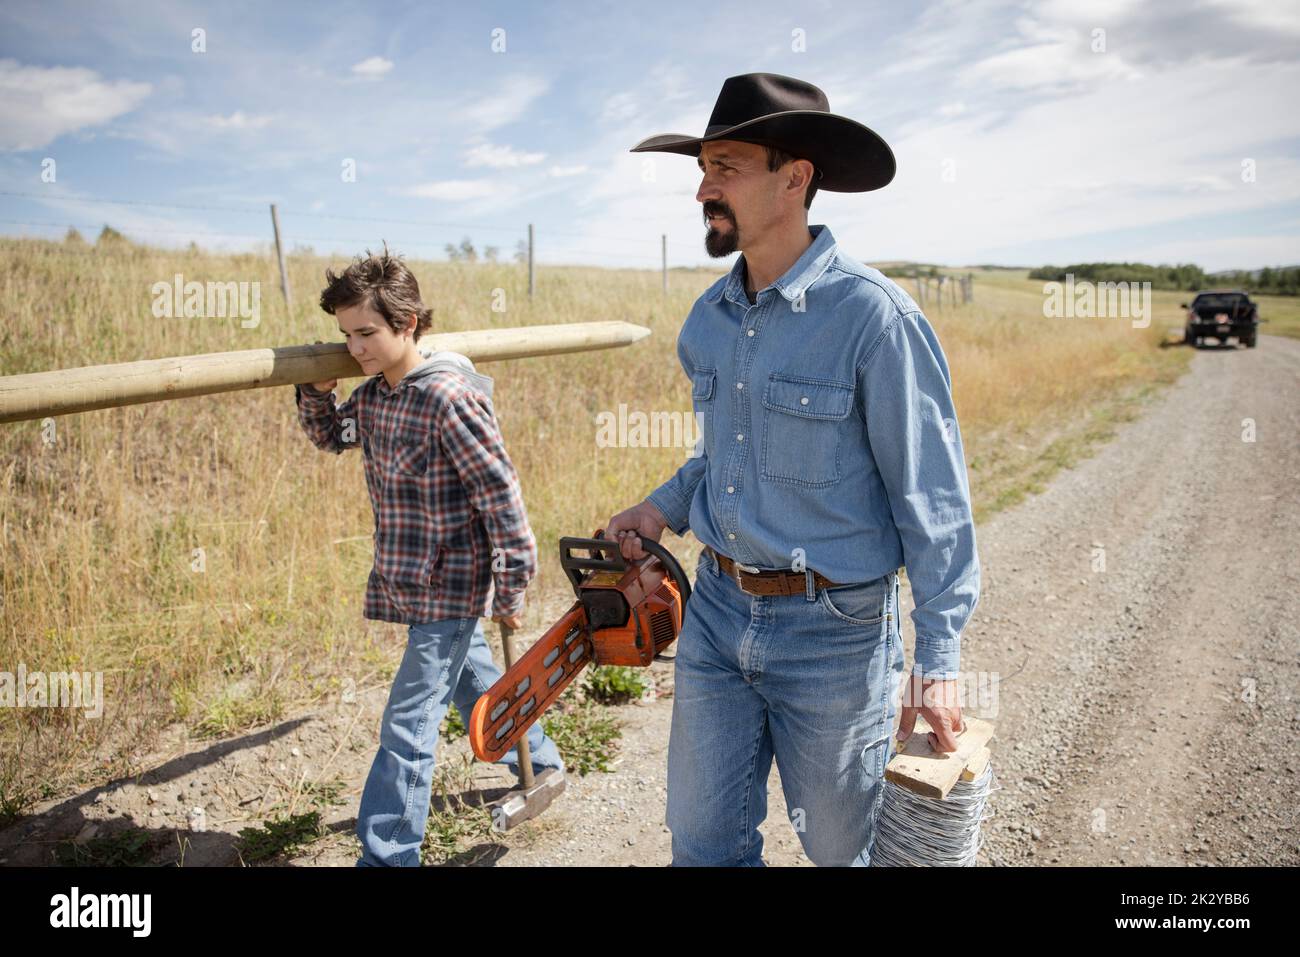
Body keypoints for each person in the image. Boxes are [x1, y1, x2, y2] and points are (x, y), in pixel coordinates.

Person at [605, 73, 980, 866]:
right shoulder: (708, 319)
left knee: (844, 854)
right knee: (703, 845)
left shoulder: (874, 318)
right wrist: (662, 506)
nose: (705, 187)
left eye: (727, 166)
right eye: (702, 167)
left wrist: (939, 662)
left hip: (834, 635)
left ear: (796, 177)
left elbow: (933, 501)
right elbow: (723, 456)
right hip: (715, 613)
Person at [294, 245, 564, 867]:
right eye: (346, 336)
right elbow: (332, 435)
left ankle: (389, 856)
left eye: (367, 333)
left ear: (408, 323)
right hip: (408, 582)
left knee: (407, 726)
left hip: (453, 585)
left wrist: (512, 586)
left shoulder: (447, 397)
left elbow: (501, 495)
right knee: (474, 681)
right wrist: (317, 389)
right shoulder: (378, 397)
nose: (356, 347)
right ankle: (541, 763)